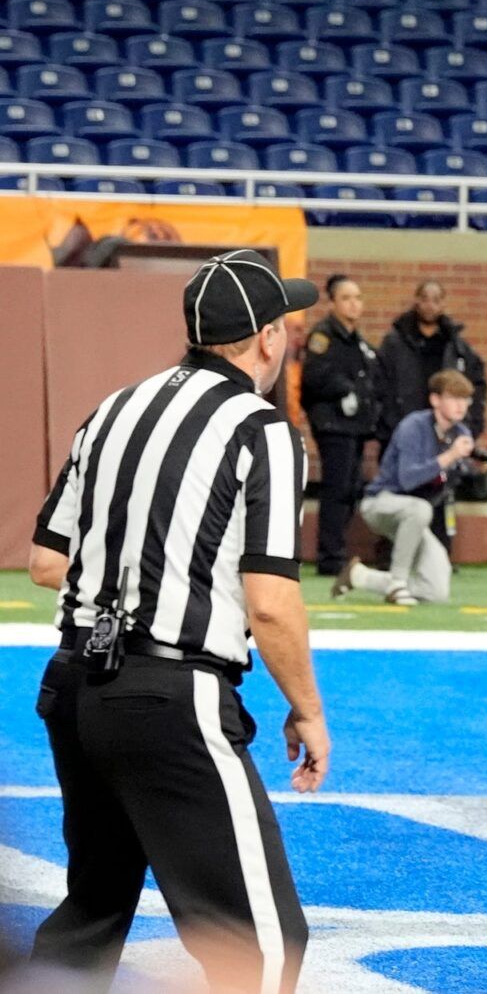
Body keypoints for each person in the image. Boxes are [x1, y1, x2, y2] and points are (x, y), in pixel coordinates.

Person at [27, 249, 325, 991]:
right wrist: (307, 709)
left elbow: (45, 560)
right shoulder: (261, 429)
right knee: (262, 947)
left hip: (75, 683)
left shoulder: (113, 409)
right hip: (169, 693)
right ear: (267, 337)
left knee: (92, 914)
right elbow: (270, 601)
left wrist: (141, 571)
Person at [333, 370, 475, 607]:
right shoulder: (414, 426)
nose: (461, 405)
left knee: (436, 590)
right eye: (453, 398)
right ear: (435, 400)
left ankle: (360, 576)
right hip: (381, 503)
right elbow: (408, 478)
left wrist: (478, 472)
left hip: (415, 515)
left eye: (465, 399)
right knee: (419, 509)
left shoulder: (460, 433)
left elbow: (468, 486)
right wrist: (450, 456)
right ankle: (397, 582)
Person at [300, 273, 382, 577]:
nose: (353, 304)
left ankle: (336, 552)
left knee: (350, 488)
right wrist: (343, 389)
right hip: (333, 424)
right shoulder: (324, 336)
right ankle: (330, 557)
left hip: (355, 426)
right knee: (336, 489)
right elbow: (314, 375)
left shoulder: (358, 341)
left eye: (358, 298)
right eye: (346, 298)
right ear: (332, 303)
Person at [375, 279, 487, 446]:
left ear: (443, 304)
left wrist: (471, 424)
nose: (430, 305)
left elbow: (476, 384)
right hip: (401, 432)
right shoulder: (394, 343)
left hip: (445, 433)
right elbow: (379, 383)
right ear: (416, 301)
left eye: (436, 300)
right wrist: (389, 423)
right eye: (425, 299)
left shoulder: (455, 346)